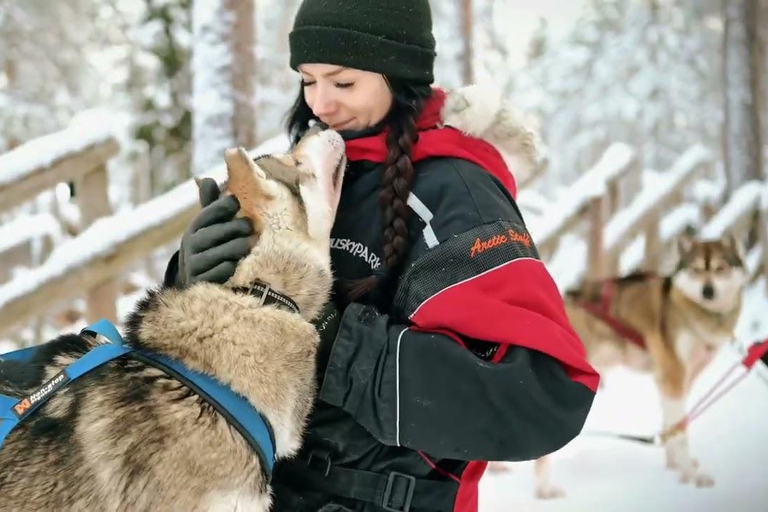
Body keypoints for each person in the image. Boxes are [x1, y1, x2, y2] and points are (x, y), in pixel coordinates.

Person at [164, 0, 600, 510]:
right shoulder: (307, 173)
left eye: (342, 83)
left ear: (398, 73)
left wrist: (334, 342)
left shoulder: (457, 197)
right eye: (307, 81)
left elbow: (544, 400)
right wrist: (191, 282)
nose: (321, 103)